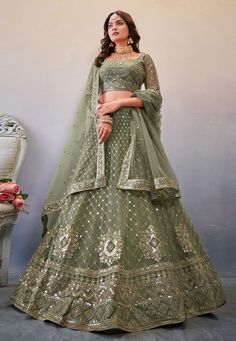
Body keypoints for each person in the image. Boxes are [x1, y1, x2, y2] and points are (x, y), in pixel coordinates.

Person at [9, 10, 226, 332]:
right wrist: (105, 116)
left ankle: (157, 291)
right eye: (109, 24)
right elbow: (92, 98)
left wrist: (119, 105)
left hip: (134, 132)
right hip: (103, 131)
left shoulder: (143, 58)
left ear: (130, 29)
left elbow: (154, 96)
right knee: (94, 187)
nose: (113, 28)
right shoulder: (101, 62)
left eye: (119, 23)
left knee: (135, 189)